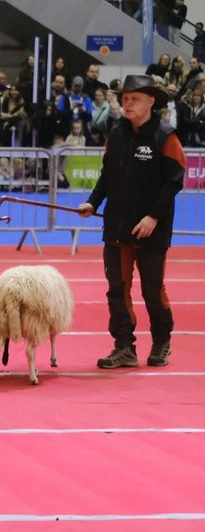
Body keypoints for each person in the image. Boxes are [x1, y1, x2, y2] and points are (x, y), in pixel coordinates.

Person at [78, 74, 184, 369]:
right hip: (116, 228)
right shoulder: (116, 134)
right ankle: (124, 346)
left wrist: (153, 217)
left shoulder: (167, 137)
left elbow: (174, 183)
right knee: (117, 289)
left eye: (134, 98)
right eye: (124, 98)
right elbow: (106, 175)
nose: (127, 103)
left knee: (153, 289)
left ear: (151, 101)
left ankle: (162, 341)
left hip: (152, 230)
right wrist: (93, 202)